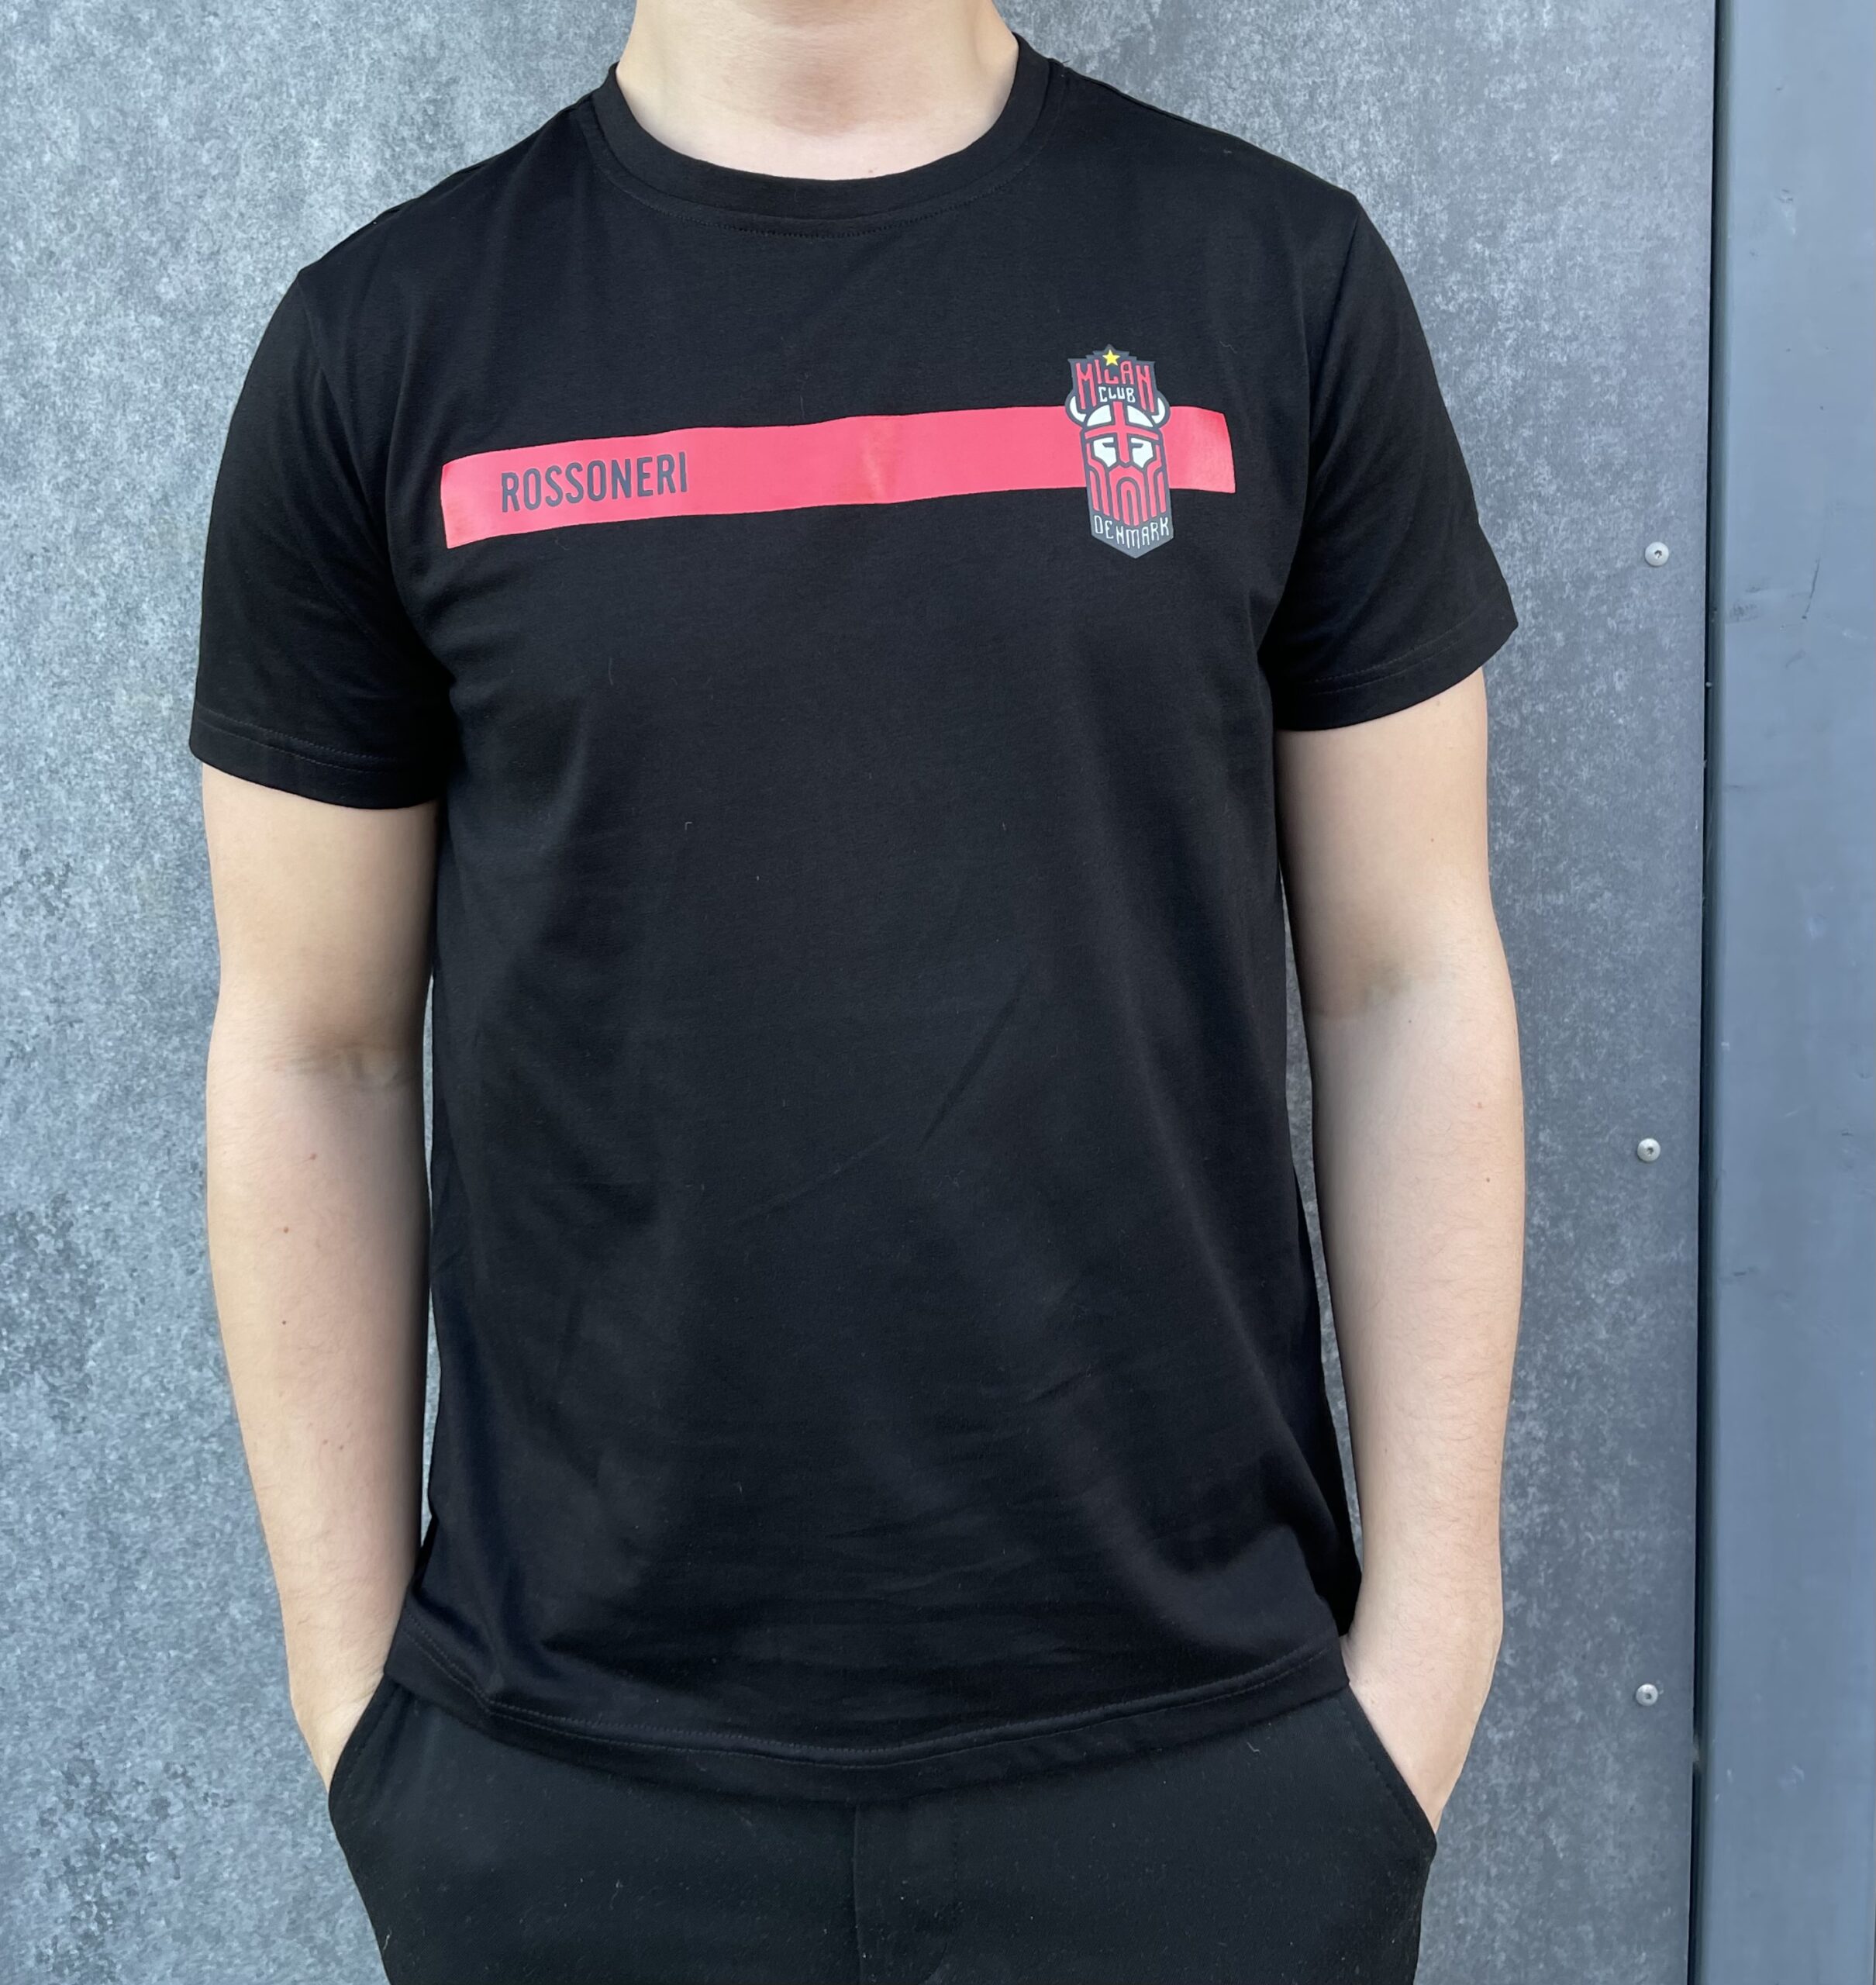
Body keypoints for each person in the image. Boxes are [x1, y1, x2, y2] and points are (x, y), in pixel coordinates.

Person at [190, 2, 1525, 1979]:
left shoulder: (1273, 281)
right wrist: (360, 1713)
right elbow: (318, 1047)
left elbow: (1406, 974)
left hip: (1209, 1769)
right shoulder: (386, 345)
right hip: (564, 1793)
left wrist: (1423, 1661)